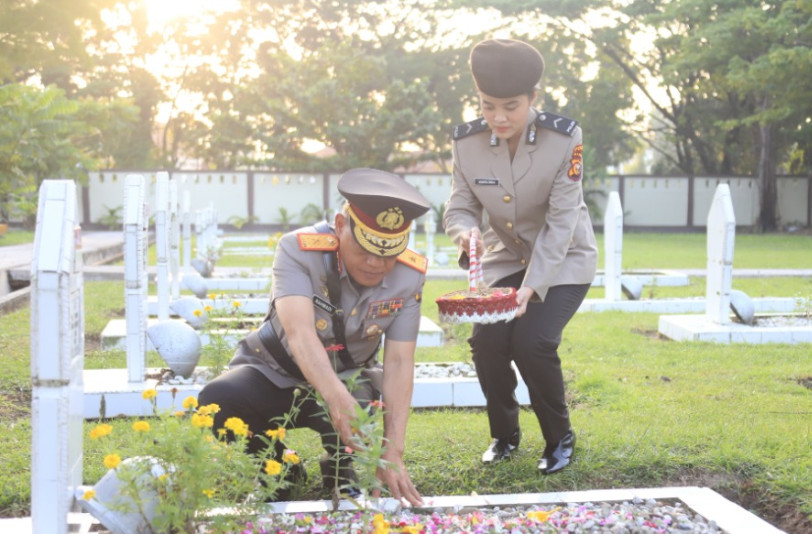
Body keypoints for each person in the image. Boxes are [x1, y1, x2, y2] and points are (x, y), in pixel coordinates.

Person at [198, 167, 429, 506]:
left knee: (360, 407)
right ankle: (278, 468)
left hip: (350, 376)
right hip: (276, 372)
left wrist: (393, 448)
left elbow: (398, 361)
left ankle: (341, 471)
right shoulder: (299, 250)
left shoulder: (409, 276)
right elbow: (300, 333)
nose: (375, 263)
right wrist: (337, 400)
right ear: (340, 226)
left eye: (387, 253)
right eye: (365, 248)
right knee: (220, 399)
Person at [442, 38, 598, 475]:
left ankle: (559, 437)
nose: (498, 118)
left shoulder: (564, 138)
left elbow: (562, 221)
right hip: (504, 259)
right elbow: (459, 206)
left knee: (533, 342)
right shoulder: (466, 142)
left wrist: (532, 288)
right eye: (488, 106)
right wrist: (464, 232)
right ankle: (504, 435)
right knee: (487, 342)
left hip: (564, 259)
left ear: (533, 98)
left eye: (511, 106)